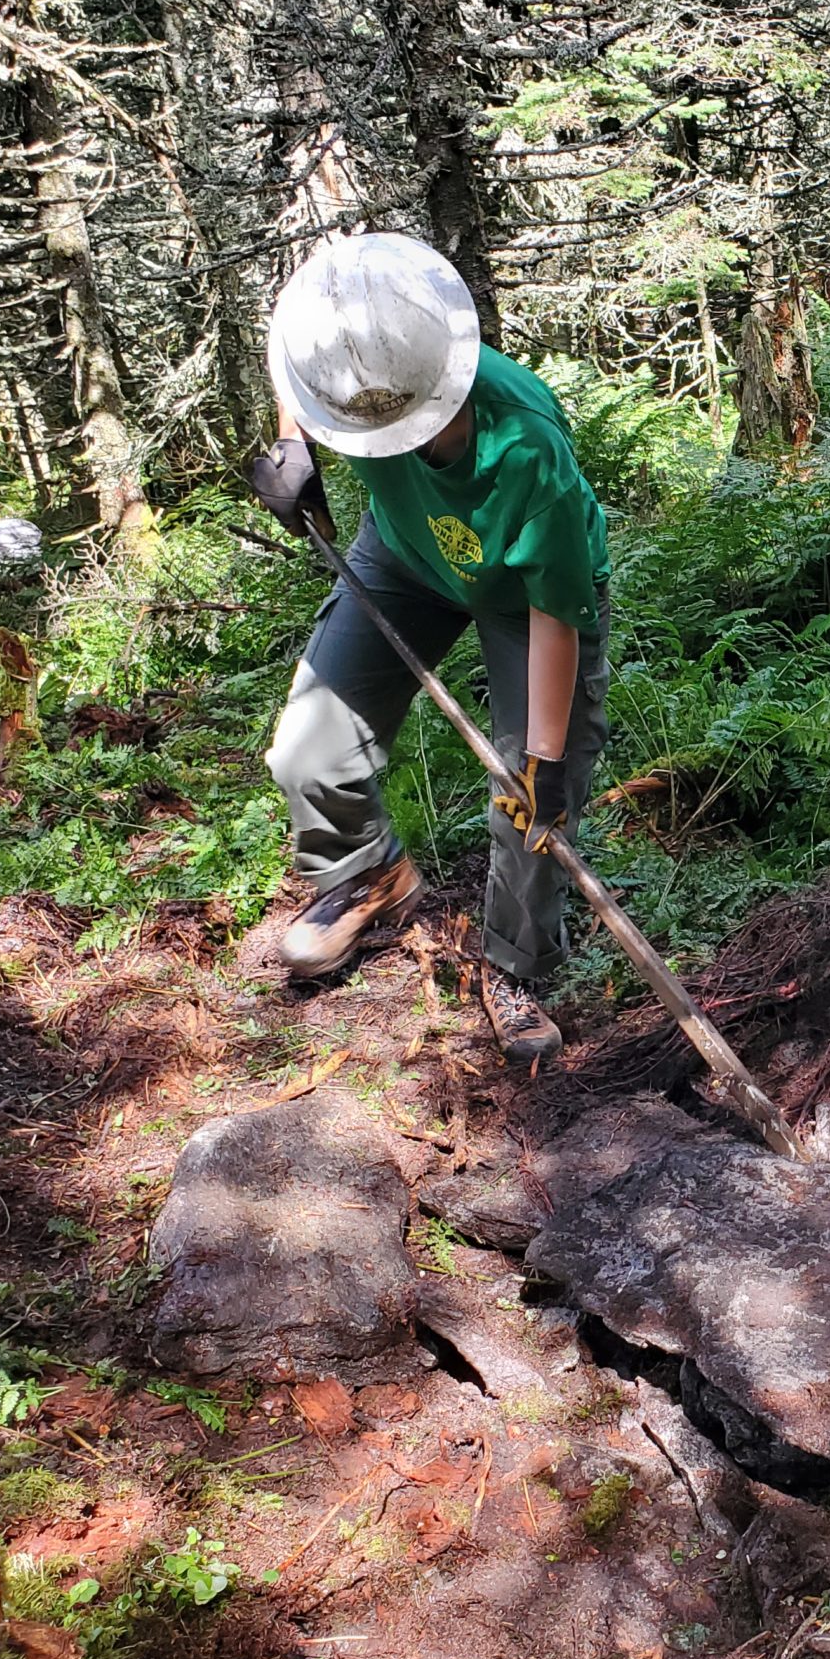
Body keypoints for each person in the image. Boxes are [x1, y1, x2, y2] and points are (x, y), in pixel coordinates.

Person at [246, 232, 610, 1065]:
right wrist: (294, 443)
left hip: (528, 596)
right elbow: (288, 343)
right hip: (405, 557)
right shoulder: (346, 347)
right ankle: (368, 874)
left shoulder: (527, 446)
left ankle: (516, 967)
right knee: (308, 750)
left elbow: (556, 615)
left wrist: (544, 765)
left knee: (528, 804)